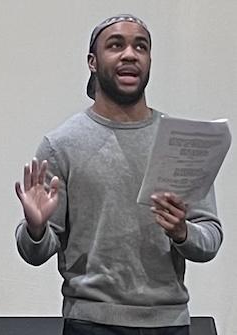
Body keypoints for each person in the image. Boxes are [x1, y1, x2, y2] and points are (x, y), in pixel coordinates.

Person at [15, 14, 222, 335]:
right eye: (116, 45)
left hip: (169, 322)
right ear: (92, 62)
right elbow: (34, 253)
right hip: (90, 322)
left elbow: (210, 239)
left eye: (141, 46)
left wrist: (182, 232)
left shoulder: (181, 140)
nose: (130, 54)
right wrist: (37, 227)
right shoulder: (61, 145)